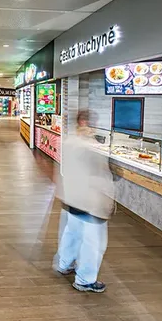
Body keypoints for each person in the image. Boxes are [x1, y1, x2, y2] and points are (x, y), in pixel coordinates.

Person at [54, 110, 114, 293]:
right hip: (90, 200)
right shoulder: (89, 146)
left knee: (72, 232)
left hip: (72, 197)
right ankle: (85, 280)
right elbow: (100, 171)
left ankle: (64, 264)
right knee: (93, 243)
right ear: (84, 122)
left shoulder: (68, 141)